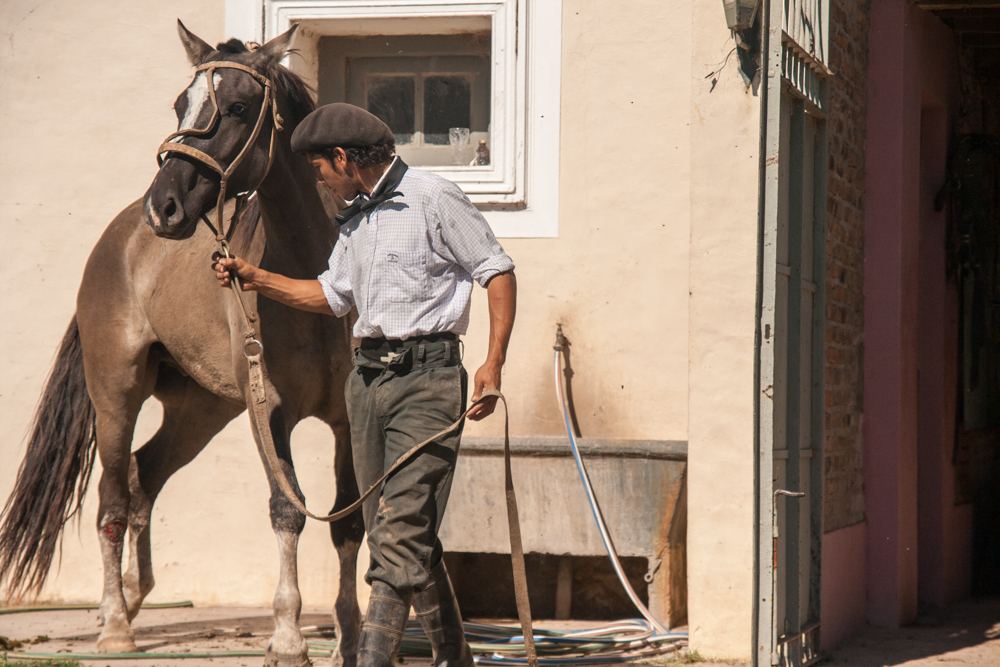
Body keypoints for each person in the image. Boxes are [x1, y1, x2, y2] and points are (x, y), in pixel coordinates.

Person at [212, 103, 516, 667]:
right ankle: (456, 659)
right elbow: (331, 296)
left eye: (320, 169)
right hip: (368, 385)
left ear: (343, 158)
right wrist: (256, 278)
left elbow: (496, 270)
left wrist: (492, 363)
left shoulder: (434, 197)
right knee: (396, 535)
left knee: (398, 538)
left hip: (427, 382)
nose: (320, 181)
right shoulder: (354, 219)